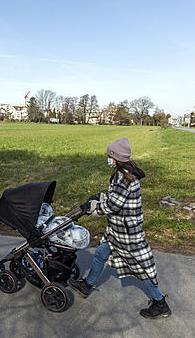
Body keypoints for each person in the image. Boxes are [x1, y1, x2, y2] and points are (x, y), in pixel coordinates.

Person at [69, 137, 171, 319]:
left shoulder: (125, 176)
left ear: (116, 157)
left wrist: (93, 208)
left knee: (140, 268)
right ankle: (86, 285)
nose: (108, 158)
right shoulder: (124, 172)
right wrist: (99, 196)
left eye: (110, 155)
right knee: (101, 252)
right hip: (118, 229)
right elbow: (115, 196)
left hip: (126, 234)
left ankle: (159, 303)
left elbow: (114, 205)